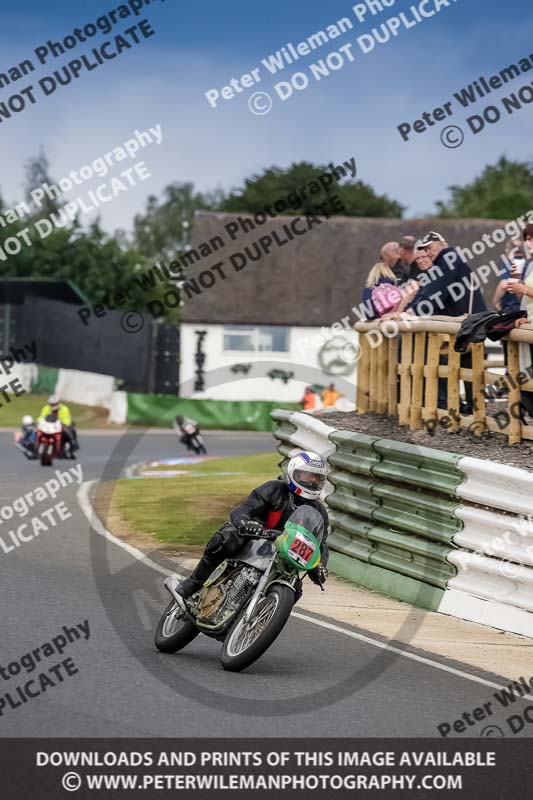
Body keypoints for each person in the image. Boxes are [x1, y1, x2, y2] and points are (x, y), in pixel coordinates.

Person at [175, 451, 329, 603]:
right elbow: (245, 508)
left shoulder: (319, 511)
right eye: (308, 475)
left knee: (296, 586)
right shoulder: (274, 489)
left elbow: (320, 544)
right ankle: (194, 583)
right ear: (293, 472)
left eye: (317, 478)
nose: (312, 481)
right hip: (256, 536)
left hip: (285, 555)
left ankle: (264, 616)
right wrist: (245, 523)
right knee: (226, 539)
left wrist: (320, 564)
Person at [409, 232, 487, 414]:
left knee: (445, 360)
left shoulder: (447, 258)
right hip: (468, 322)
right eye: (424, 248)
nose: (427, 252)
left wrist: (412, 312)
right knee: (468, 366)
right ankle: (471, 408)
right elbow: (431, 292)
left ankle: (447, 406)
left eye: (430, 247)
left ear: (442, 244)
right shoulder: (446, 261)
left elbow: (435, 293)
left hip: (465, 324)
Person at [507, 224, 533, 417]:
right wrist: (518, 281)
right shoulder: (530, 263)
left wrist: (522, 289)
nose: (528, 242)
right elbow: (525, 299)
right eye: (527, 238)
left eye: (531, 238)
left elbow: (526, 293)